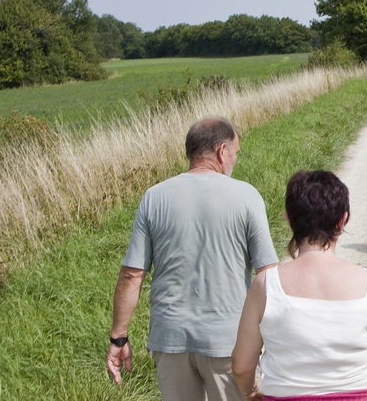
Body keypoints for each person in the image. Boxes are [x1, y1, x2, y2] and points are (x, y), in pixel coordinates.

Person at [107, 117, 279, 401]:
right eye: (235, 153)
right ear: (222, 151)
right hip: (228, 339)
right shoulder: (247, 196)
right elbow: (268, 275)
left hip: (169, 338)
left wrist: (118, 337)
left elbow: (131, 275)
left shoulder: (154, 197)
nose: (235, 159)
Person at [232, 170, 367, 400]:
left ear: (289, 219)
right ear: (343, 220)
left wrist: (249, 392)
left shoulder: (265, 285)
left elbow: (242, 366)